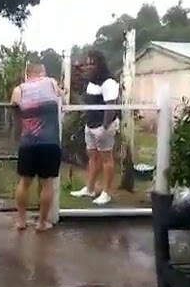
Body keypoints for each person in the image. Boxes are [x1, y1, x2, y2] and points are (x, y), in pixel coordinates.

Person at [11, 64, 63, 232]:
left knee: (24, 182)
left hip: (28, 142)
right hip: (50, 142)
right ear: (43, 72)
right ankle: (41, 223)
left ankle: (21, 221)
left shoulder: (19, 90)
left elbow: (14, 107)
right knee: (46, 183)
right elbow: (62, 96)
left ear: (27, 75)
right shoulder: (51, 83)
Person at [70, 50, 120, 205]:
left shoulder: (109, 83)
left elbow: (110, 107)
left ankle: (107, 192)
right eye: (88, 63)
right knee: (92, 157)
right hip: (90, 125)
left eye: (92, 64)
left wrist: (104, 128)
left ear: (100, 65)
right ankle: (90, 188)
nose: (89, 67)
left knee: (106, 159)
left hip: (103, 127)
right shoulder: (91, 82)